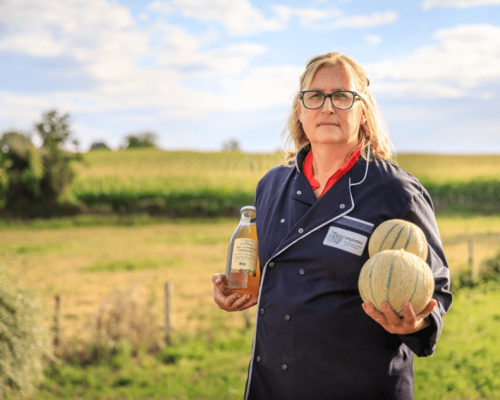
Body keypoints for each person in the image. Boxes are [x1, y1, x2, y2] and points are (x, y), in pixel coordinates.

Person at [212, 51, 452, 400]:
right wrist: (239, 286)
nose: (327, 107)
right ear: (300, 110)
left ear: (363, 111)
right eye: (315, 96)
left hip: (358, 385)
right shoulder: (271, 184)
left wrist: (418, 323)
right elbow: (274, 271)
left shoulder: (394, 191)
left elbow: (437, 288)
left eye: (342, 96)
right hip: (273, 384)